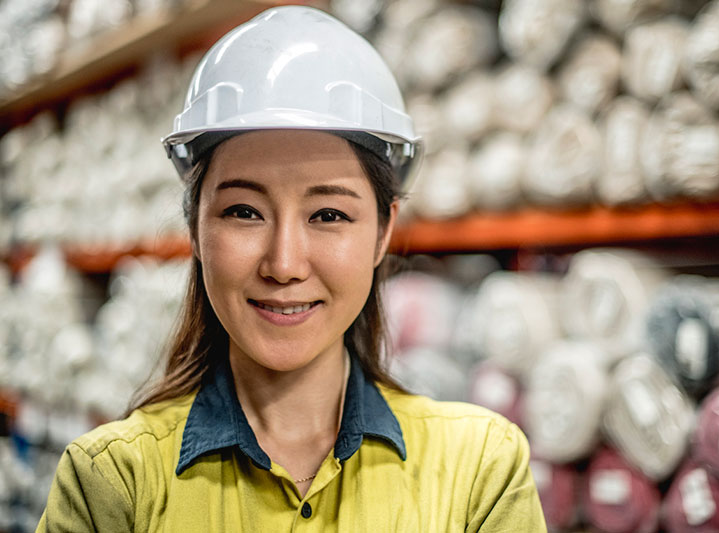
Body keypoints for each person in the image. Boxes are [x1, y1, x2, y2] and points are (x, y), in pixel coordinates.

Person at [37, 6, 547, 532]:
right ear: (195, 229)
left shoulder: (479, 471)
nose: (283, 265)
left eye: (328, 215)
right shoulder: (113, 482)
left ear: (382, 232)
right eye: (243, 212)